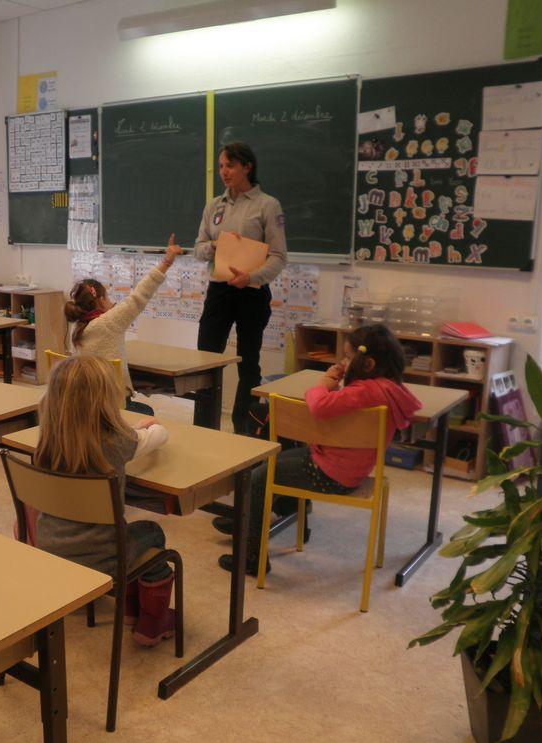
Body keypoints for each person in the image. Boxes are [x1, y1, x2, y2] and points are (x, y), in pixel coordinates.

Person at [212, 324, 422, 576]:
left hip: (329, 472)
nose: (343, 361)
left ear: (368, 364)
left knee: (257, 479)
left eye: (347, 356)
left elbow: (319, 405)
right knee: (273, 461)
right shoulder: (390, 389)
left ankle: (251, 559)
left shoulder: (364, 391)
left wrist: (323, 384)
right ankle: (246, 520)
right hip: (348, 468)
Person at [34, 355, 176, 647]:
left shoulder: (48, 437)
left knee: (132, 535)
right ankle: (152, 622)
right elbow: (158, 436)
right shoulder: (116, 441)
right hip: (104, 557)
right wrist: (148, 425)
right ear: (105, 400)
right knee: (151, 532)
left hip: (48, 547)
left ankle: (128, 607)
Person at [193, 141, 287, 433]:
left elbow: (279, 257)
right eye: (221, 166)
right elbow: (198, 249)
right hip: (219, 291)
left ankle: (244, 428)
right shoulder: (214, 205)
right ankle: (203, 426)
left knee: (248, 363)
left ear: (247, 167)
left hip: (251, 293)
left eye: (230, 165)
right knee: (205, 360)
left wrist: (252, 278)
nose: (224, 171)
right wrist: (215, 244)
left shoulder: (268, 205)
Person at [65, 234, 183, 415]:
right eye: (108, 297)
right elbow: (139, 296)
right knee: (147, 413)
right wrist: (166, 262)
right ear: (101, 299)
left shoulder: (79, 327)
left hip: (85, 407)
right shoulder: (108, 321)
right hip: (112, 408)